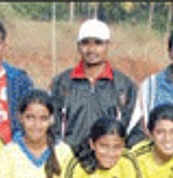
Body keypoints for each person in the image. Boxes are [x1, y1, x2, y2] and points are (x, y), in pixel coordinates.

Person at [50, 19, 137, 148]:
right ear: (78, 46)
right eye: (85, 43)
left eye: (98, 43)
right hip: (70, 160)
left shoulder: (124, 85)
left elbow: (133, 128)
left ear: (108, 45)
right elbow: (52, 125)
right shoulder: (62, 82)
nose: (91, 49)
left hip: (110, 160)